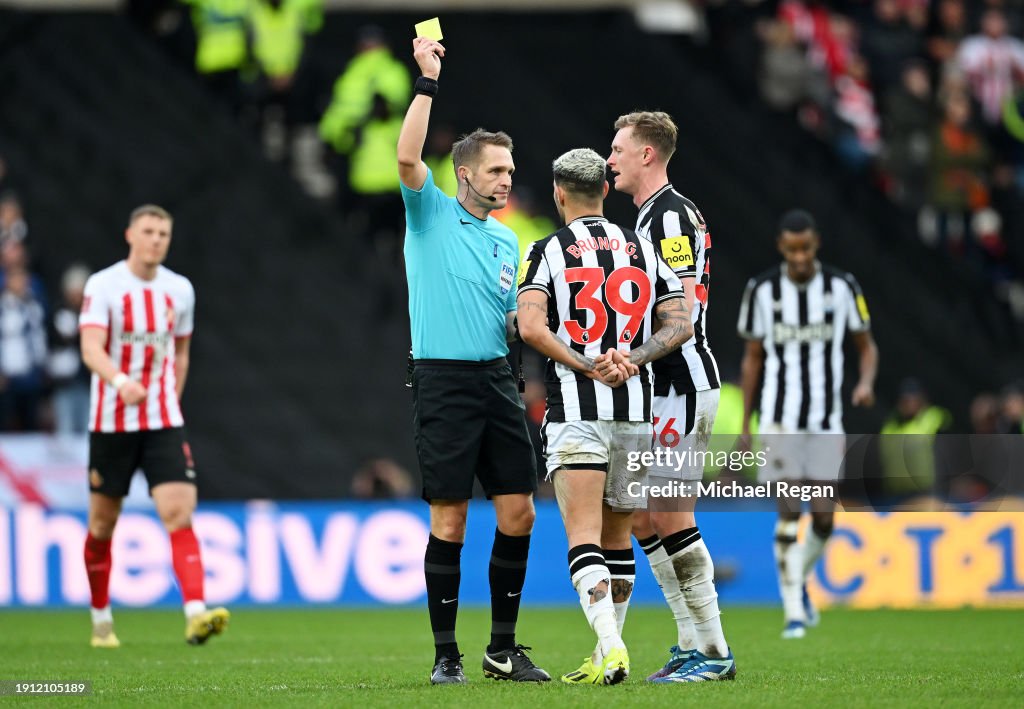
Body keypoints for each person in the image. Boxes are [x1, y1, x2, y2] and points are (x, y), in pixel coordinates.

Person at [397, 37, 549, 685]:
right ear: (464, 174)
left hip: (496, 378)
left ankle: (502, 647)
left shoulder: (506, 238)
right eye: (495, 170)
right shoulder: (428, 213)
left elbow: (506, 314)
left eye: (510, 170)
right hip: (443, 382)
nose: (506, 178)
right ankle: (445, 653)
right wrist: (427, 82)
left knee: (520, 511)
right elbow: (407, 155)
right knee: (451, 518)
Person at [518, 148, 691, 685]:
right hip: (635, 412)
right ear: (606, 191)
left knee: (583, 535)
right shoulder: (643, 246)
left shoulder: (546, 250)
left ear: (558, 193)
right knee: (619, 537)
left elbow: (531, 327)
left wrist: (586, 364)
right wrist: (630, 359)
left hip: (576, 409)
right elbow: (680, 322)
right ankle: (606, 652)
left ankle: (612, 647)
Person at [606, 110, 736, 682]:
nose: (609, 160)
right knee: (639, 519)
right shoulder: (646, 219)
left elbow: (682, 318)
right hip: (658, 389)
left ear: (646, 155)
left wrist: (631, 356)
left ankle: (713, 651)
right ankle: (689, 641)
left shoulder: (672, 218)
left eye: (617, 149)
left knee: (669, 512)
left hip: (681, 384)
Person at [79, 205, 228, 648]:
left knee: (180, 513)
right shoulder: (104, 285)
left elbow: (180, 353)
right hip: (111, 421)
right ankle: (101, 619)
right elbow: (90, 347)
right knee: (103, 524)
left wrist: (171, 400)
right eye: (149, 231)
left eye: (164, 232)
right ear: (130, 234)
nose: (157, 239)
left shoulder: (179, 289)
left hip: (162, 420)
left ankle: (196, 614)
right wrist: (120, 382)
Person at [737, 208, 878, 639]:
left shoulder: (842, 287)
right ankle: (794, 607)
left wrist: (866, 382)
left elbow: (866, 345)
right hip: (779, 423)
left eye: (806, 248)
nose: (799, 257)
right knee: (787, 516)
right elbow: (753, 358)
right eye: (791, 249)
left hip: (824, 422)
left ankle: (798, 585)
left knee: (822, 520)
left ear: (816, 244)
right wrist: (746, 425)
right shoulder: (760, 290)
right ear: (781, 246)